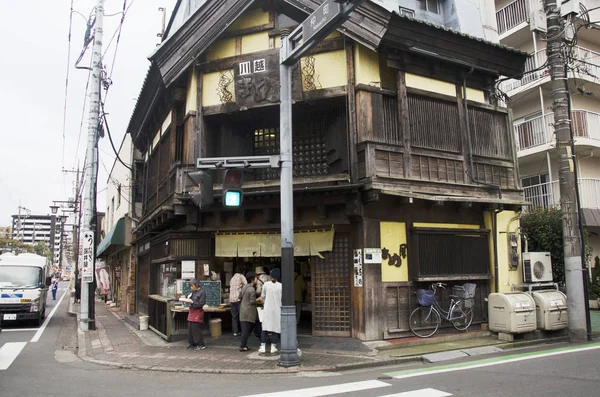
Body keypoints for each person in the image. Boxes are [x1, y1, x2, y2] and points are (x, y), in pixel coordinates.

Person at [258, 268, 282, 354]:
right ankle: (273, 347)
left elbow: (263, 296)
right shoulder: (281, 286)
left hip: (267, 308)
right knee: (275, 327)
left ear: (270, 276)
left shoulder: (266, 285)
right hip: (277, 309)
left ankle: (263, 346)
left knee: (265, 327)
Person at [179, 279, 206, 350]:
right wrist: (185, 298)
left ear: (196, 285)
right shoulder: (192, 292)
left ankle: (200, 344)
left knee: (196, 329)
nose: (191, 287)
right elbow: (189, 298)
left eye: (192, 286)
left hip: (198, 312)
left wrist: (193, 303)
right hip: (191, 312)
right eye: (190, 286)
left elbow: (201, 303)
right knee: (190, 328)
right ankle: (192, 343)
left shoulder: (202, 292)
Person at [238, 272, 258, 352]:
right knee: (246, 330)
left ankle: (244, 345)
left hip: (242, 310)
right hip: (249, 312)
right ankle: (242, 346)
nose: (257, 279)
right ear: (252, 280)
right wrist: (258, 299)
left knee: (247, 329)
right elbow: (252, 301)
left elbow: (239, 296)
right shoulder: (252, 289)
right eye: (256, 278)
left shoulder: (244, 287)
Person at [229, 265, 247, 337]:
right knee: (241, 316)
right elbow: (246, 285)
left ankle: (235, 332)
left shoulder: (232, 278)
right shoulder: (241, 276)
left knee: (234, 316)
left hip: (231, 299)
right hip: (238, 299)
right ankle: (243, 331)